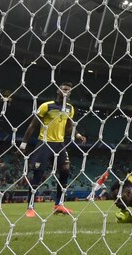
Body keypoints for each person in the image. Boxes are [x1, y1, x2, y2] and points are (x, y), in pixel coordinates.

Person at [20, 82, 86, 217]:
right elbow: (33, 125)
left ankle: (58, 205)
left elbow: (69, 127)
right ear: (58, 91)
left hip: (60, 144)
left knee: (66, 170)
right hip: (44, 143)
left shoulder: (69, 108)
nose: (66, 91)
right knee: (38, 175)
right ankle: (30, 207)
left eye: (69, 90)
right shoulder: (46, 106)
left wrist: (77, 134)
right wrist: (23, 144)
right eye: (64, 89)